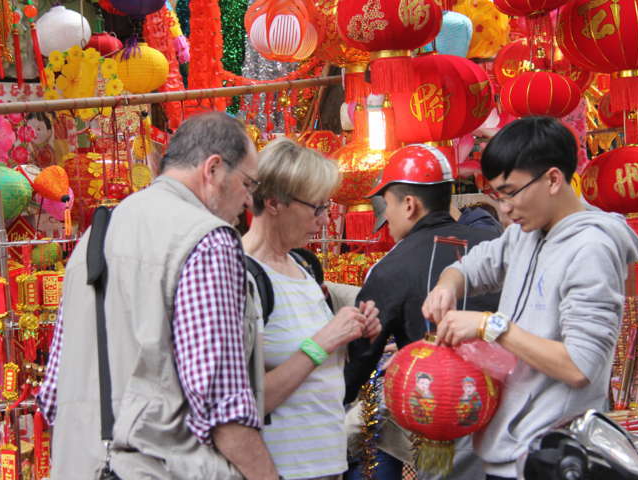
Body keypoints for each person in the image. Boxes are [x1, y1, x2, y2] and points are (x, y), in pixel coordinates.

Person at [37, 112, 279, 479]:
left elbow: (54, 394)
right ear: (212, 170)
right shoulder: (206, 239)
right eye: (248, 183)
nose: (249, 200)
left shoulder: (95, 238)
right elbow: (222, 407)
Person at [422, 116, 638, 480]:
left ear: (554, 179)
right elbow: (472, 267)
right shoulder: (527, 235)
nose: (505, 208)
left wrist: (489, 326)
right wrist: (446, 285)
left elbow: (579, 367)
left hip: (550, 456)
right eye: (498, 195)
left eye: (511, 192)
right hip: (511, 451)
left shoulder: (591, 248)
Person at [344, 143, 501, 480]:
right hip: (508, 410)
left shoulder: (390, 268)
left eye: (387, 206)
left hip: (441, 419)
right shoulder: (494, 247)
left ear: (410, 205)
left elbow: (360, 357)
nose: (387, 220)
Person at [242, 137, 381, 480]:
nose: (323, 219)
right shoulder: (241, 275)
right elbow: (246, 401)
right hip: (280, 469)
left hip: (325, 464)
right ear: (275, 203)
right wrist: (325, 341)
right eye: (316, 208)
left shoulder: (302, 268)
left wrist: (355, 336)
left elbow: (320, 366)